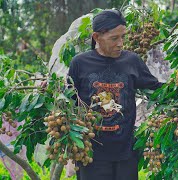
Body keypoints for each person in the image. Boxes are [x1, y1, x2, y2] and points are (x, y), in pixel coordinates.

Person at [67, 9, 163, 180]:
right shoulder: (80, 63)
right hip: (90, 155)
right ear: (97, 37)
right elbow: (68, 100)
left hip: (125, 153)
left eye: (123, 37)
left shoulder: (131, 61)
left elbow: (156, 88)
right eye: (114, 38)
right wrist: (51, 91)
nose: (120, 43)